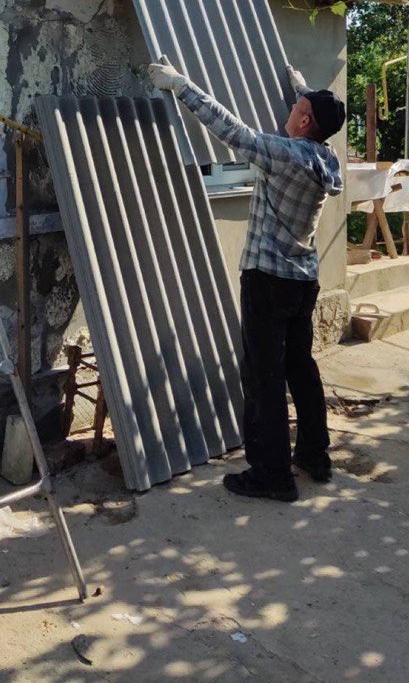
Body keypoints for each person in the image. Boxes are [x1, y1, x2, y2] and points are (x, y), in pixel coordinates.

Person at [148, 57, 345, 503]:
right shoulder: (325, 159)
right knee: (301, 367)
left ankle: (271, 474)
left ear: (304, 120)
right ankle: (315, 455)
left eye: (297, 108)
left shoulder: (285, 155)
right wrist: (302, 87)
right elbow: (313, 113)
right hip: (301, 280)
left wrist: (182, 85)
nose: (289, 112)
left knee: (263, 378)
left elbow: (233, 131)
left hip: (267, 280)